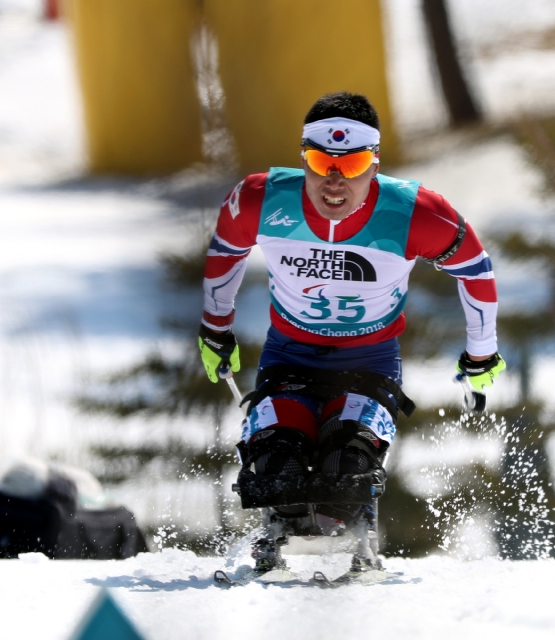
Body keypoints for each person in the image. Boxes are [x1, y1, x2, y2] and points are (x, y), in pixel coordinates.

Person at [198, 92, 505, 571]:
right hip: (289, 356)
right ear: (304, 158)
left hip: (369, 361)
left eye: (354, 162)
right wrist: (215, 330)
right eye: (321, 161)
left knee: (349, 463)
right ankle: (277, 530)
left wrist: (481, 355)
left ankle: (356, 532)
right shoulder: (262, 200)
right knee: (279, 461)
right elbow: (224, 252)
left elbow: (476, 270)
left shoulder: (414, 212)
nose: (335, 180)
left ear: (375, 161)